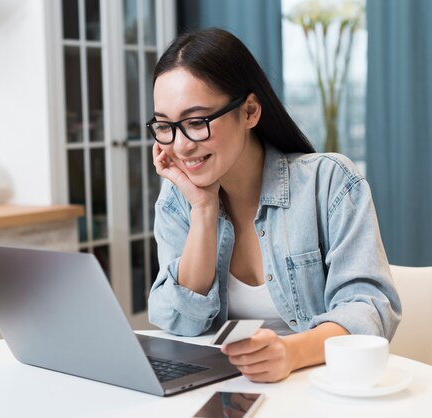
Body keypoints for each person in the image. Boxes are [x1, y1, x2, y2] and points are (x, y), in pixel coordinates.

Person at [147, 28, 401, 383]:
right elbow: (182, 323)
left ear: (249, 111)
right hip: (229, 393)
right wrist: (203, 209)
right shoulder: (178, 200)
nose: (181, 145)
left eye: (196, 122)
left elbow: (369, 311)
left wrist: (292, 353)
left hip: (320, 389)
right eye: (165, 126)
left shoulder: (329, 183)